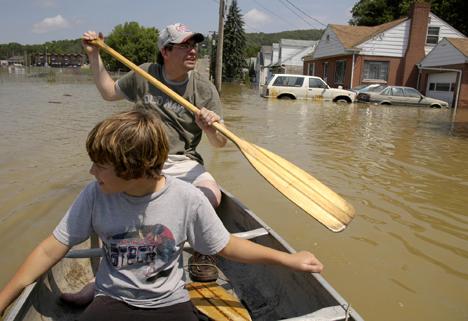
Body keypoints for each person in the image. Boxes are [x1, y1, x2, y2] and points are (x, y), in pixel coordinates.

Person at [0, 110, 323, 321]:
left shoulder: (187, 198)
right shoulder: (95, 194)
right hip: (113, 300)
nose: (91, 171)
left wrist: (288, 260)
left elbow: (225, 246)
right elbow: (49, 249)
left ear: (132, 168)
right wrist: (2, 300)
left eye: (100, 165)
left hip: (169, 304)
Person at [81, 22, 226, 285]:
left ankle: (202, 252)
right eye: (184, 46)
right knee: (115, 200)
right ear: (165, 51)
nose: (192, 51)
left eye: (193, 45)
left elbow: (220, 143)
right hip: (143, 159)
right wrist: (94, 55)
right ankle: (112, 264)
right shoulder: (145, 74)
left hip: (184, 160)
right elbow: (108, 92)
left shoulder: (204, 88)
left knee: (211, 196)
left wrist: (211, 127)